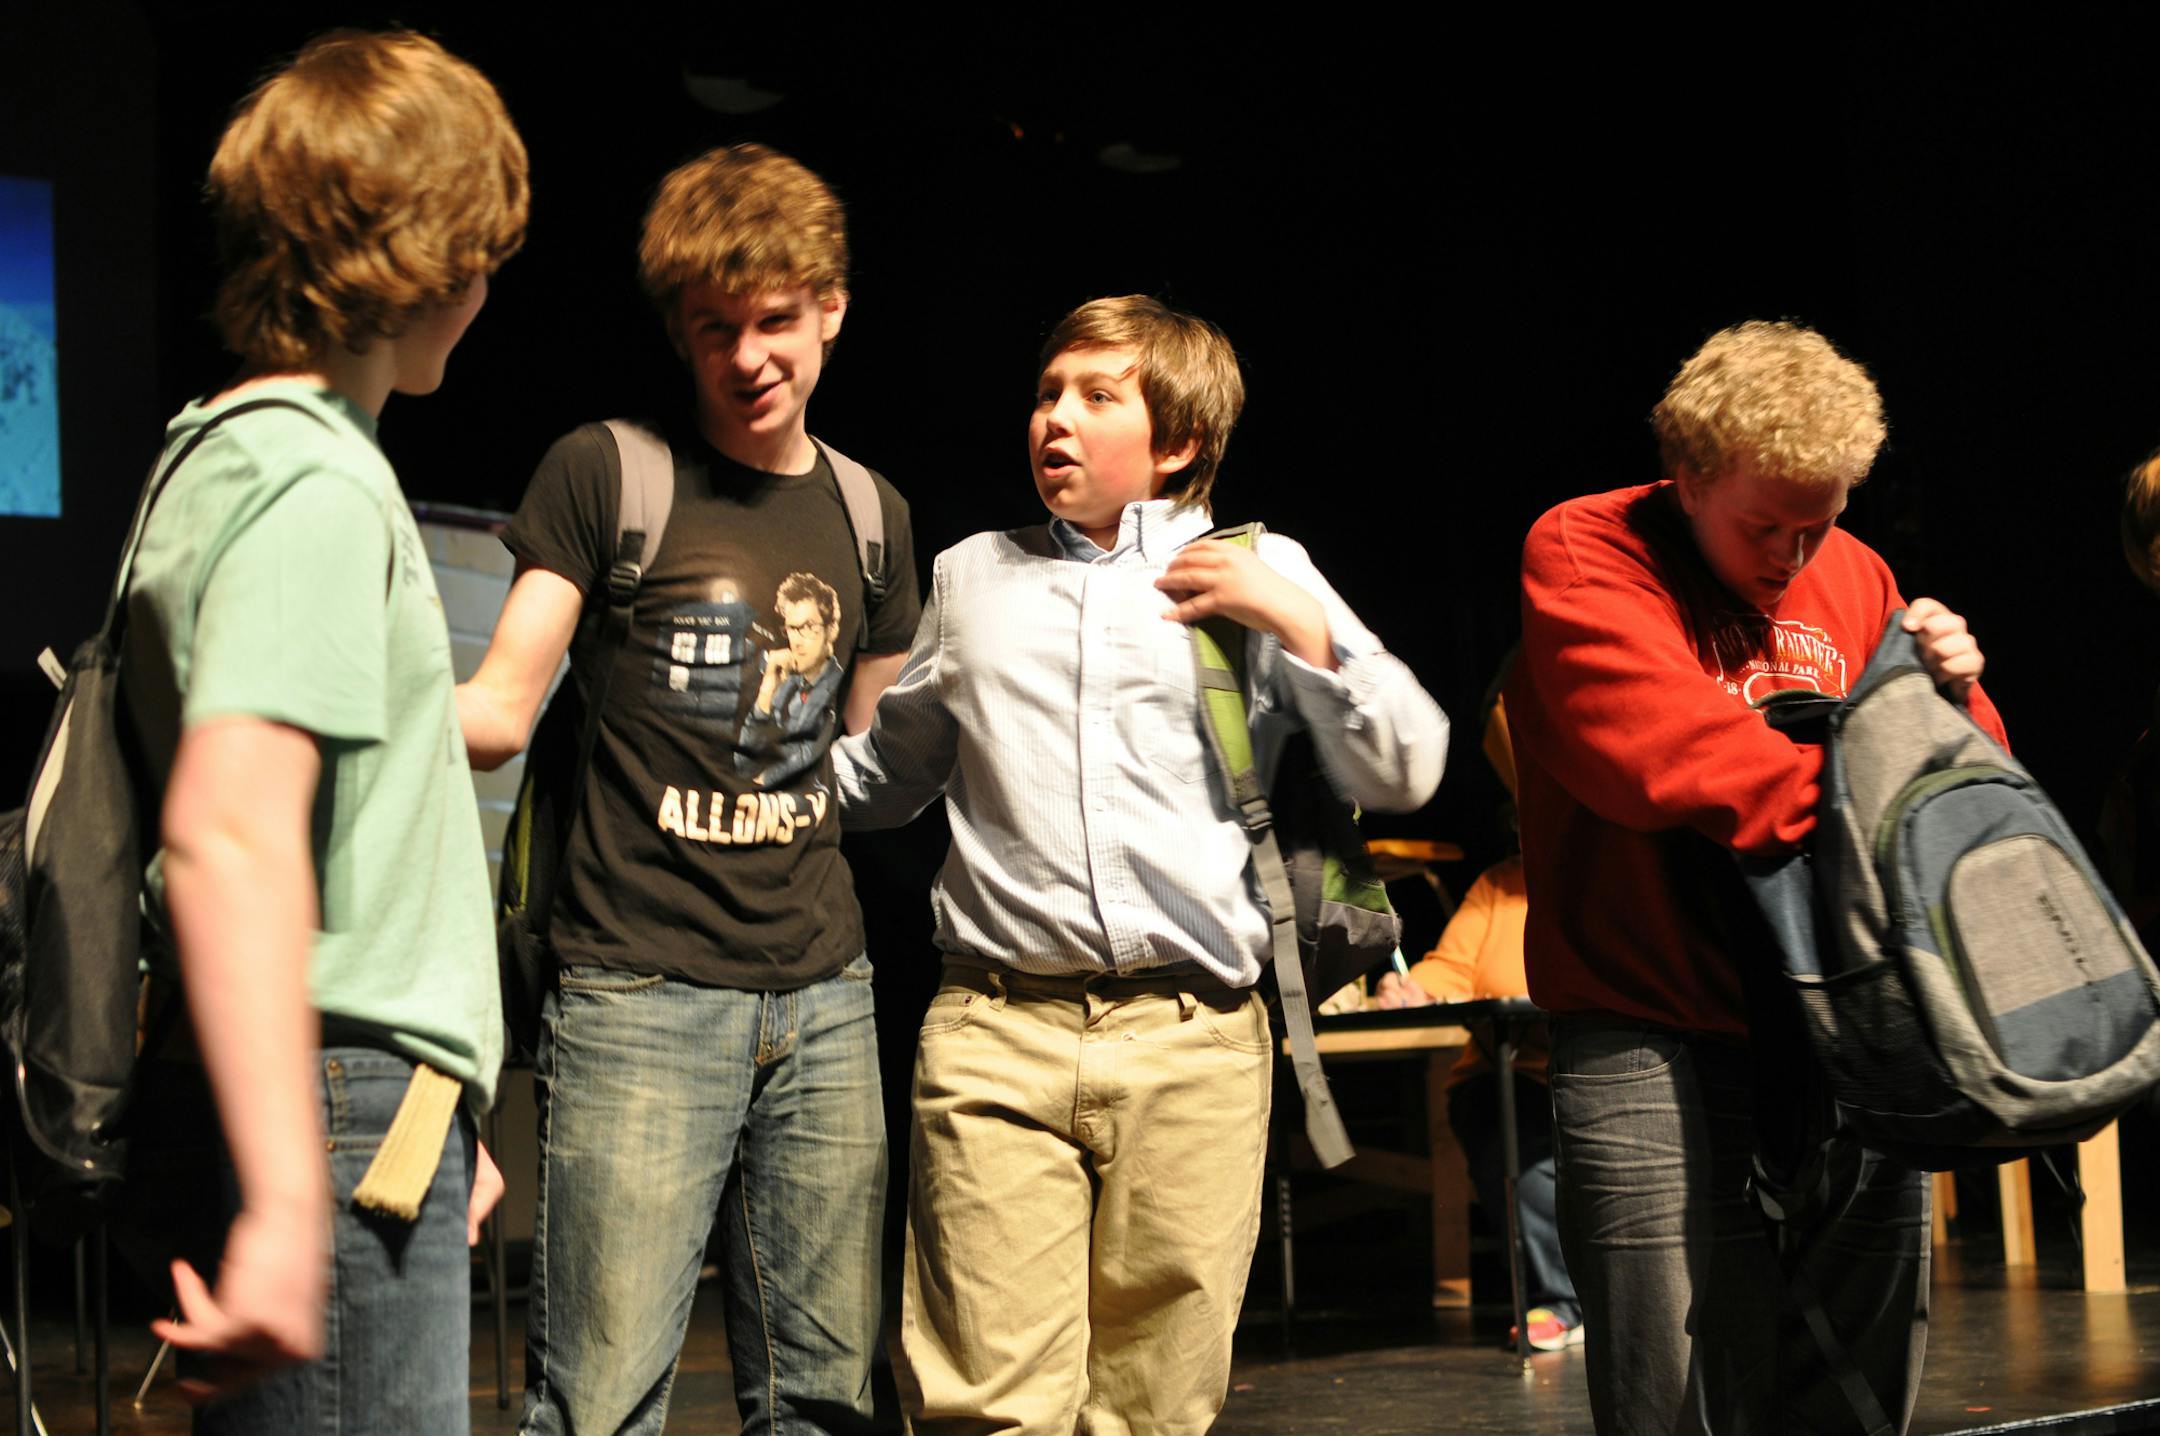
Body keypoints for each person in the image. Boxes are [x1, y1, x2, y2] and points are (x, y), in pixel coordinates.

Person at [832, 295, 1448, 1435]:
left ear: (1178, 443)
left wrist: (1300, 624)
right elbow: (886, 776)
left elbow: (1410, 760)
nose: (1053, 418)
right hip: (997, 1033)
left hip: (1193, 1039)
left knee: (1155, 1410)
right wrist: (755, 784)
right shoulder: (972, 577)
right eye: (1046, 391)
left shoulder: (1261, 570)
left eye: (1095, 396)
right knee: (988, 1407)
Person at [456, 144, 920, 1436]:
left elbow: (870, 768)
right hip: (639, 997)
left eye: (778, 319)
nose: (751, 354)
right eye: (718, 329)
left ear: (832, 306)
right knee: (599, 1404)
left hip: (826, 999)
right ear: (680, 332)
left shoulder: (876, 517)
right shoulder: (609, 474)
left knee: (822, 1403)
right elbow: (499, 706)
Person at [117, 29, 526, 1430]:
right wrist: (298, 1202)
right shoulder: (309, 482)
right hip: (333, 1102)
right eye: (478, 252)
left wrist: (444, 1098)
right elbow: (230, 830)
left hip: (367, 1102)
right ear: (425, 260)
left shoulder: (225, 450)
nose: (484, 287)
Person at [1507, 319, 2006, 1435]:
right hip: (1651, 1022)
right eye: (1764, 525)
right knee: (1670, 1394)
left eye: (1818, 523)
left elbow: (1959, 785)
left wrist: (1958, 697)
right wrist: (1877, 826)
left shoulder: (1858, 571)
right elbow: (1668, 756)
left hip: (1842, 1020)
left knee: (1857, 1381)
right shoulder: (1588, 547)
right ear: (1686, 479)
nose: (1792, 554)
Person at [1372, 691, 1580, 1351]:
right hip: (1510, 1069)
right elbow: (1451, 970)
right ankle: (1561, 1300)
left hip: (1592, 1063)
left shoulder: (1602, 880)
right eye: (1521, 821)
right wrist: (1411, 989)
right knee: (1499, 1116)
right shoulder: (1500, 885)